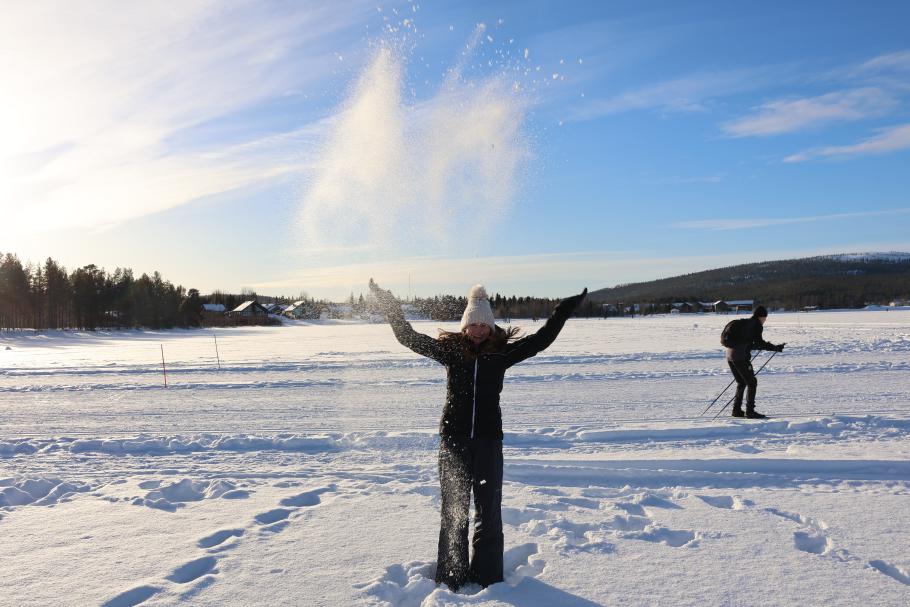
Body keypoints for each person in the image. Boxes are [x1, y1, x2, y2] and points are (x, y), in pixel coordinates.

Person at [369, 279, 587, 591]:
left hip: (488, 442)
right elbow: (407, 337)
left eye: (485, 324)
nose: (480, 329)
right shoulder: (451, 351)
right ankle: (452, 576)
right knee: (454, 510)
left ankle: (488, 577)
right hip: (454, 441)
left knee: (489, 510)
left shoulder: (500, 355)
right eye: (474, 324)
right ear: (465, 325)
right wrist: (389, 303)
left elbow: (540, 341)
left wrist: (562, 311)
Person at [725, 306, 785, 419]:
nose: (765, 320)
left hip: (729, 355)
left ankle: (736, 410)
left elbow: (750, 342)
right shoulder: (756, 325)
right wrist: (775, 348)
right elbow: (759, 343)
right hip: (740, 357)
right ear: (761, 316)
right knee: (752, 382)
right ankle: (750, 411)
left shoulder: (746, 323)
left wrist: (770, 347)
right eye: (765, 318)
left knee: (742, 382)